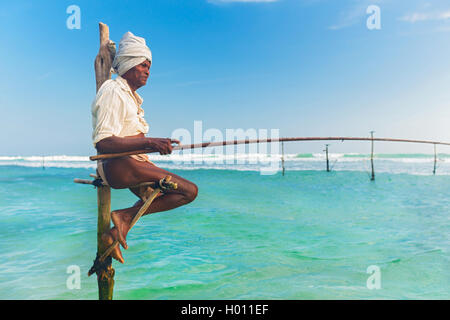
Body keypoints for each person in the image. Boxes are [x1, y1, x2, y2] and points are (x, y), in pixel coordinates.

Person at [92, 32, 198, 263]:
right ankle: (123, 216)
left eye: (149, 66)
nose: (148, 71)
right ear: (129, 64)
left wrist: (151, 148)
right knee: (189, 191)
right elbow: (103, 142)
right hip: (120, 167)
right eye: (143, 65)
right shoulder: (113, 91)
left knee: (178, 193)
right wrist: (151, 142)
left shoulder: (131, 98)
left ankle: (116, 230)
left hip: (134, 164)